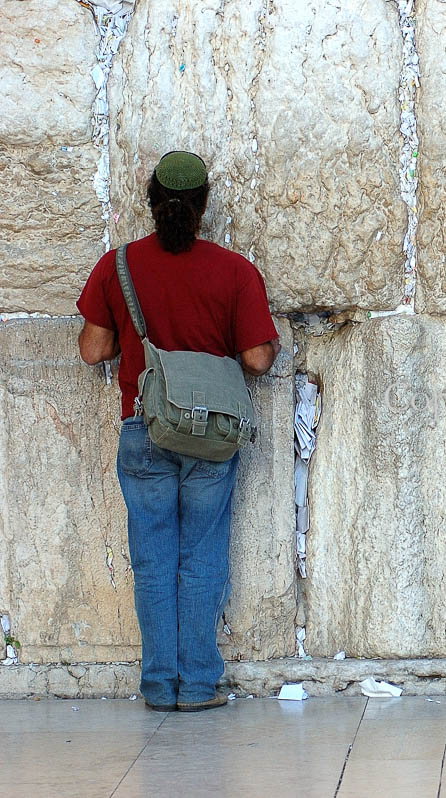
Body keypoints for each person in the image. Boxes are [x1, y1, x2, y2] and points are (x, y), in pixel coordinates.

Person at [76, 151, 280, 712]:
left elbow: (94, 348)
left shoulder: (117, 266)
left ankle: (158, 685)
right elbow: (258, 360)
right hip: (209, 434)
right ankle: (198, 685)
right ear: (204, 205)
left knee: (153, 559)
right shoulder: (235, 272)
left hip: (145, 427)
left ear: (151, 201)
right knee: (203, 555)